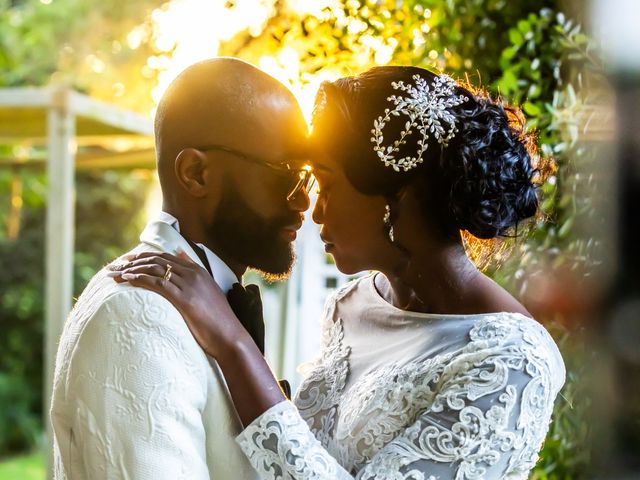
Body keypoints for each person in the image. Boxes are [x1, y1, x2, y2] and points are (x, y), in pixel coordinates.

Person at [113, 66, 566, 479]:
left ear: (397, 197)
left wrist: (232, 343)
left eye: (326, 184)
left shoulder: (510, 360)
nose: (314, 212)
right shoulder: (350, 305)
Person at [50, 57, 314, 479]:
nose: (302, 201)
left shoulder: (197, 302)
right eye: (285, 174)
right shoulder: (138, 315)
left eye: (306, 178)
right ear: (195, 173)